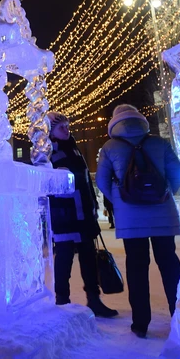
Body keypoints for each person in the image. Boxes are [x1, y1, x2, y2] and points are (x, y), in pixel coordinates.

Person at [96, 105, 180, 338]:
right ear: (140, 120)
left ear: (115, 123)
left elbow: (102, 181)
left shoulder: (109, 147)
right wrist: (164, 195)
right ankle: (179, 317)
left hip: (131, 218)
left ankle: (141, 323)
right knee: (169, 265)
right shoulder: (159, 143)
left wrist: (120, 200)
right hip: (163, 214)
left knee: (136, 267)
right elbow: (177, 173)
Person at [47, 111, 119, 318]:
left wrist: (92, 208)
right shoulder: (50, 152)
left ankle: (94, 300)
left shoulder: (73, 149)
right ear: (51, 130)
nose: (66, 130)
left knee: (88, 258)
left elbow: (84, 182)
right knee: (64, 258)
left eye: (67, 126)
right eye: (61, 127)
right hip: (65, 217)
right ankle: (62, 301)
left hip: (84, 216)